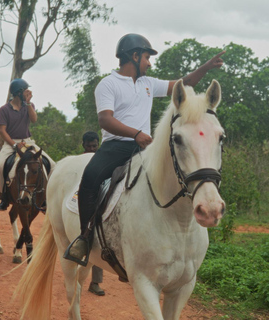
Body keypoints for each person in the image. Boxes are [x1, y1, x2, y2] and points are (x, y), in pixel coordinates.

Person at [64, 33, 225, 266]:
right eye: (147, 57)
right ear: (135, 56)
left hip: (145, 149)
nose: (150, 63)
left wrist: (207, 67)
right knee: (89, 178)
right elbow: (105, 120)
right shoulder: (107, 84)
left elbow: (185, 84)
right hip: (115, 147)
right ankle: (84, 238)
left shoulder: (148, 83)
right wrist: (135, 134)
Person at [0, 78, 56, 211]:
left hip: (28, 141)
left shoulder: (29, 105)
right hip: (11, 142)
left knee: (52, 164)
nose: (29, 93)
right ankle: (4, 196)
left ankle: (45, 196)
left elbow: (34, 120)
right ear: (19, 92)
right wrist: (14, 145)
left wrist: (28, 103)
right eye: (26, 91)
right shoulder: (4, 109)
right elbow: (2, 131)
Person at [81, 131, 105, 296]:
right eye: (88, 146)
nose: (91, 149)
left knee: (98, 244)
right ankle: (76, 280)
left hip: (98, 206)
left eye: (94, 146)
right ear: (83, 146)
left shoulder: (103, 161)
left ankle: (95, 282)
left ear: (98, 145)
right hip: (80, 206)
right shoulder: (78, 162)